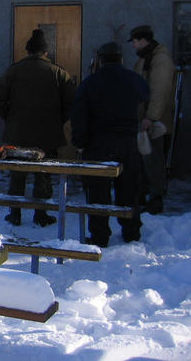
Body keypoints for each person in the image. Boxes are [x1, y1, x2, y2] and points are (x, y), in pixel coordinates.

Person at [0, 29, 76, 227]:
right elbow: (71, 102)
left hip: (17, 134)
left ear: (28, 51)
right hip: (47, 134)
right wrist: (59, 120)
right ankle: (41, 214)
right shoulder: (58, 73)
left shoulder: (13, 71)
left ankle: (15, 213)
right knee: (43, 174)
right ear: (45, 52)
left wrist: (9, 118)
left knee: (17, 174)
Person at [71, 42, 149, 247]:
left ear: (100, 60)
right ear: (121, 59)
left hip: (98, 143)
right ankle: (131, 231)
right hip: (128, 141)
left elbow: (79, 116)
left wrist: (80, 143)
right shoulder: (134, 80)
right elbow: (146, 96)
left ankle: (100, 235)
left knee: (98, 190)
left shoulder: (90, 83)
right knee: (129, 187)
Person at [129, 25, 175, 215]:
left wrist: (151, 117)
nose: (133, 46)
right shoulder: (146, 58)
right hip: (145, 118)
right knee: (145, 158)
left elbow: (159, 91)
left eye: (135, 41)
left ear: (142, 40)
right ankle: (144, 194)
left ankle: (155, 198)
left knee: (153, 159)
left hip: (155, 122)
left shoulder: (160, 60)